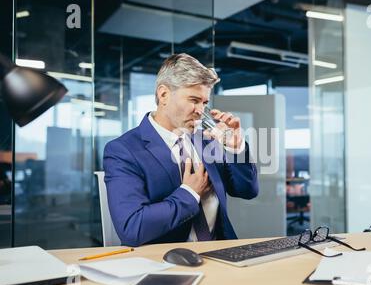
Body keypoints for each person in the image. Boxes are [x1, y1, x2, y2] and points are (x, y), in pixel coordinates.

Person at [103, 53, 258, 246]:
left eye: (204, 102)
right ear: (163, 95)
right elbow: (132, 228)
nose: (201, 110)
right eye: (194, 100)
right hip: (166, 264)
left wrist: (237, 149)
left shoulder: (208, 140)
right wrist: (190, 193)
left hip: (222, 254)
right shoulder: (123, 150)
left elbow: (247, 190)